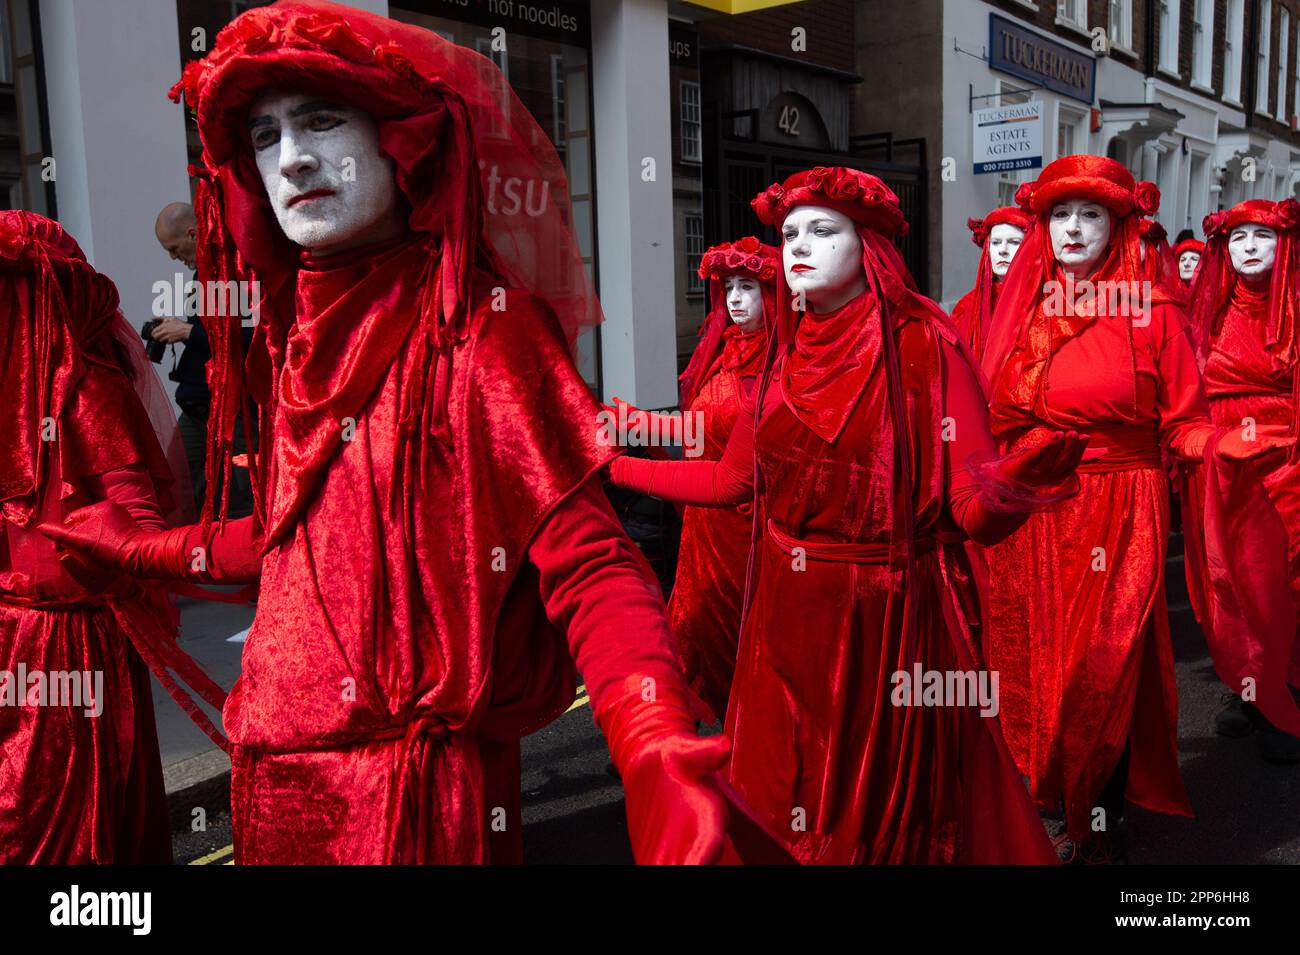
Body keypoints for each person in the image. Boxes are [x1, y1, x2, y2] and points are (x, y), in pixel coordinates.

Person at [44, 0, 740, 865]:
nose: (292, 157)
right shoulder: (295, 342)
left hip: (405, 809)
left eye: (322, 120)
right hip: (276, 792)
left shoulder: (478, 328)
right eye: (264, 135)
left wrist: (649, 742)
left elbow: (589, 560)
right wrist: (135, 547)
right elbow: (283, 546)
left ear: (399, 140)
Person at [607, 165, 1089, 864]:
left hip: (885, 624)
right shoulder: (782, 354)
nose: (799, 244)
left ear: (870, 246)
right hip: (780, 619)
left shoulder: (927, 343)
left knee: (876, 830)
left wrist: (1012, 488)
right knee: (779, 806)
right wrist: (611, 468)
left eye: (823, 230)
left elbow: (967, 508)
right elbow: (728, 480)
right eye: (792, 232)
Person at [979, 156, 1293, 862]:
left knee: (1108, 660)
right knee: (1038, 661)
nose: (1073, 228)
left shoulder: (1155, 314)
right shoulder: (1020, 311)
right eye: (1060, 214)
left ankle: (1102, 809)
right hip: (1034, 510)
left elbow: (1180, 422)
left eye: (1091, 214)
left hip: (1123, 503)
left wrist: (1222, 441)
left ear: (1119, 227)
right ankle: (1054, 795)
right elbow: (995, 417)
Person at [0, 211, 186, 863]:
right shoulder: (10, 393)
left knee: (61, 829)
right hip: (18, 638)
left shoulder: (84, 390)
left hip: (72, 645)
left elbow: (139, 526)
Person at [608, 238, 776, 720]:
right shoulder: (725, 353)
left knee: (745, 643)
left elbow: (731, 477)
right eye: (729, 289)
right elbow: (702, 428)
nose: (736, 300)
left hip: (747, 530)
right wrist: (631, 420)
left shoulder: (779, 366)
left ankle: (742, 748)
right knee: (697, 634)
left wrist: (623, 467)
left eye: (748, 287)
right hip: (704, 531)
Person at [1182, 199, 1300, 762]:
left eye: (1262, 236)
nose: (1249, 246)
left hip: (1284, 469)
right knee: (1228, 585)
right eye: (1238, 238)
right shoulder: (1208, 310)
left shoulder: (1296, 309)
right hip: (1221, 466)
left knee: (1282, 587)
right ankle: (1248, 689)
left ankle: (1288, 698)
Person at [151, 202, 254, 518]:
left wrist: (188, 333)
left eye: (173, 248)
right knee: (177, 489)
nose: (172, 257)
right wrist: (183, 329)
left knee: (241, 499)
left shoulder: (240, 267)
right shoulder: (204, 274)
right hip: (198, 410)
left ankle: (248, 564)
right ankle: (193, 559)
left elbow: (256, 341)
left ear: (193, 233)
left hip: (236, 413)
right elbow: (212, 334)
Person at [950, 206, 1030, 362]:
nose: (1003, 250)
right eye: (996, 243)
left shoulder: (1042, 301)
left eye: (1014, 242)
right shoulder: (966, 307)